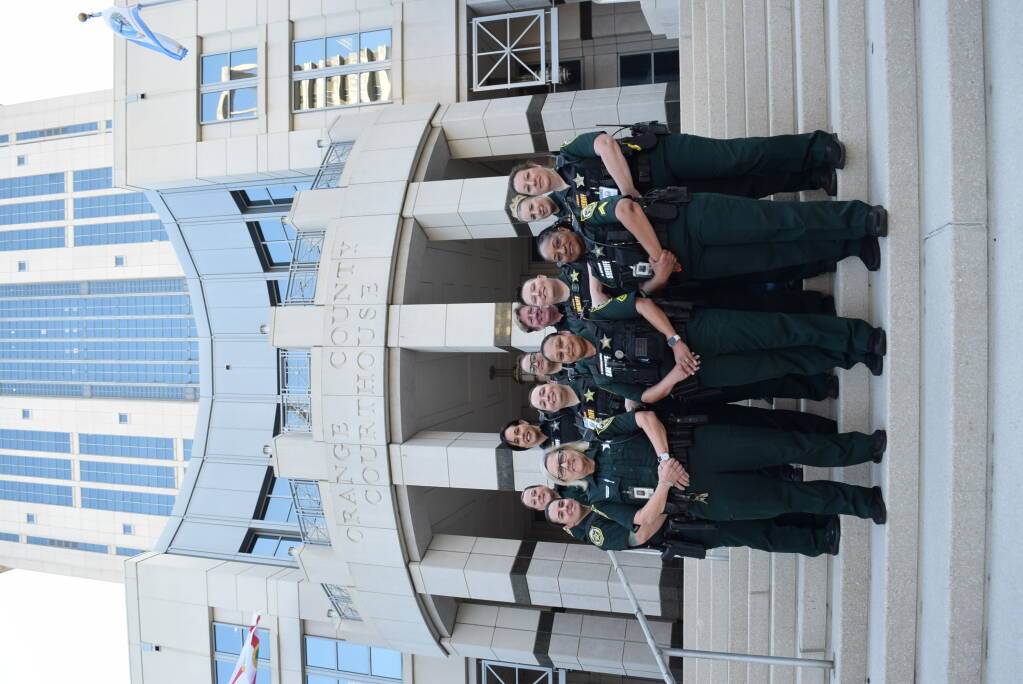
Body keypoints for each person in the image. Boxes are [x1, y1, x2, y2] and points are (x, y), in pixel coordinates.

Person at [540, 410, 887, 524]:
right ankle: (863, 502)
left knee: (788, 446)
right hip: (701, 495)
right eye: (562, 470)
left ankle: (865, 447)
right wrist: (664, 483)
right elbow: (641, 519)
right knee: (789, 498)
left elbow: (645, 418)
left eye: (563, 456)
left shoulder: (602, 434)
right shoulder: (599, 501)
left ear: (569, 448)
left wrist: (664, 458)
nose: (567, 463)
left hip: (706, 448)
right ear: (567, 481)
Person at [536, 302, 886, 406]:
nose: (565, 350)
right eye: (561, 355)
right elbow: (645, 395)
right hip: (698, 371)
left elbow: (641, 305)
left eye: (560, 343)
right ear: (565, 364)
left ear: (565, 333)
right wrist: (675, 375)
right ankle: (850, 356)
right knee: (779, 363)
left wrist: (674, 341)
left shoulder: (595, 318)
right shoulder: (599, 378)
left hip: (696, 332)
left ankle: (860, 336)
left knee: (779, 330)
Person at [512, 190, 886, 278]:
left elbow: (626, 209)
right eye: (558, 257)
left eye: (558, 243)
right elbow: (639, 291)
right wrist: (659, 274)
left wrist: (656, 253)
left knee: (777, 220)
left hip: (690, 221)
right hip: (694, 261)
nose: (564, 251)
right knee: (776, 256)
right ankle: (851, 244)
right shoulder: (594, 270)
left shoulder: (586, 217)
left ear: (562, 230)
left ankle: (858, 218)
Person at [508, 125, 846, 217]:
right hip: (668, 193)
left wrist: (627, 191)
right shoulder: (572, 204)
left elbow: (605, 145)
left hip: (663, 157)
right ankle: (811, 176)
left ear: (535, 166)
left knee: (738, 156)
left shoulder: (568, 153)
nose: (533, 183)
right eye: (529, 189)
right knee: (743, 189)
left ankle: (817, 146)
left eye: (527, 177)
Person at [545, 497, 841, 557]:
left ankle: (814, 522)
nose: (565, 508)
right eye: (561, 514)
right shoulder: (595, 532)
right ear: (567, 524)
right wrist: (663, 504)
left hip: (680, 510)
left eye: (561, 504)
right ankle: (818, 543)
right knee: (753, 533)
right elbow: (640, 535)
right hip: (681, 528)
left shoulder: (594, 501)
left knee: (753, 514)